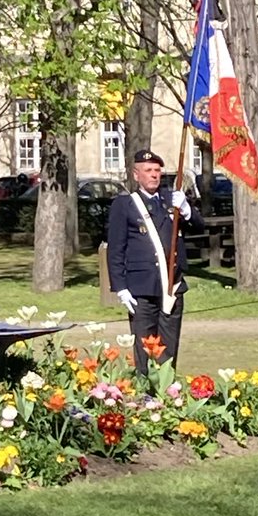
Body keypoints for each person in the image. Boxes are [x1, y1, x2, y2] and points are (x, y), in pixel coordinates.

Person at [106, 148, 204, 370]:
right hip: (141, 288)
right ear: (136, 174)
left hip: (171, 285)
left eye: (157, 170)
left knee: (168, 349)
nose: (154, 175)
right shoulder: (126, 205)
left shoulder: (172, 200)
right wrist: (121, 288)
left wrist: (187, 210)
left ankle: (166, 394)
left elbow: (199, 227)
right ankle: (145, 396)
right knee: (144, 348)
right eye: (148, 170)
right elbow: (116, 249)